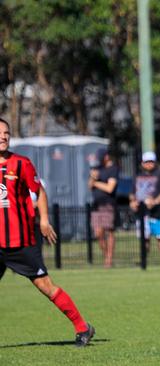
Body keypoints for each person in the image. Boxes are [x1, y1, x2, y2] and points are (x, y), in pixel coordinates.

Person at [0, 117, 94, 346]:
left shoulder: (21, 164)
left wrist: (44, 220)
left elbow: (39, 192)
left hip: (21, 241)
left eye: (6, 133)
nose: (3, 137)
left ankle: (83, 327)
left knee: (45, 286)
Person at [129, 151, 160, 264]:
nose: (149, 164)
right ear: (142, 163)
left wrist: (155, 202)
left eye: (151, 162)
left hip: (158, 212)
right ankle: (143, 260)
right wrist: (133, 201)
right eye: (146, 162)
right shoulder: (138, 175)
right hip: (142, 212)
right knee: (144, 238)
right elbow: (132, 192)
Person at [88, 147, 119, 268]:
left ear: (106, 157)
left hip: (108, 205)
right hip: (96, 205)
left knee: (109, 232)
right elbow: (89, 186)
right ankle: (106, 255)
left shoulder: (113, 169)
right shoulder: (97, 169)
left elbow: (110, 188)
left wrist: (96, 183)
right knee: (98, 233)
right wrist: (93, 178)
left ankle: (109, 260)